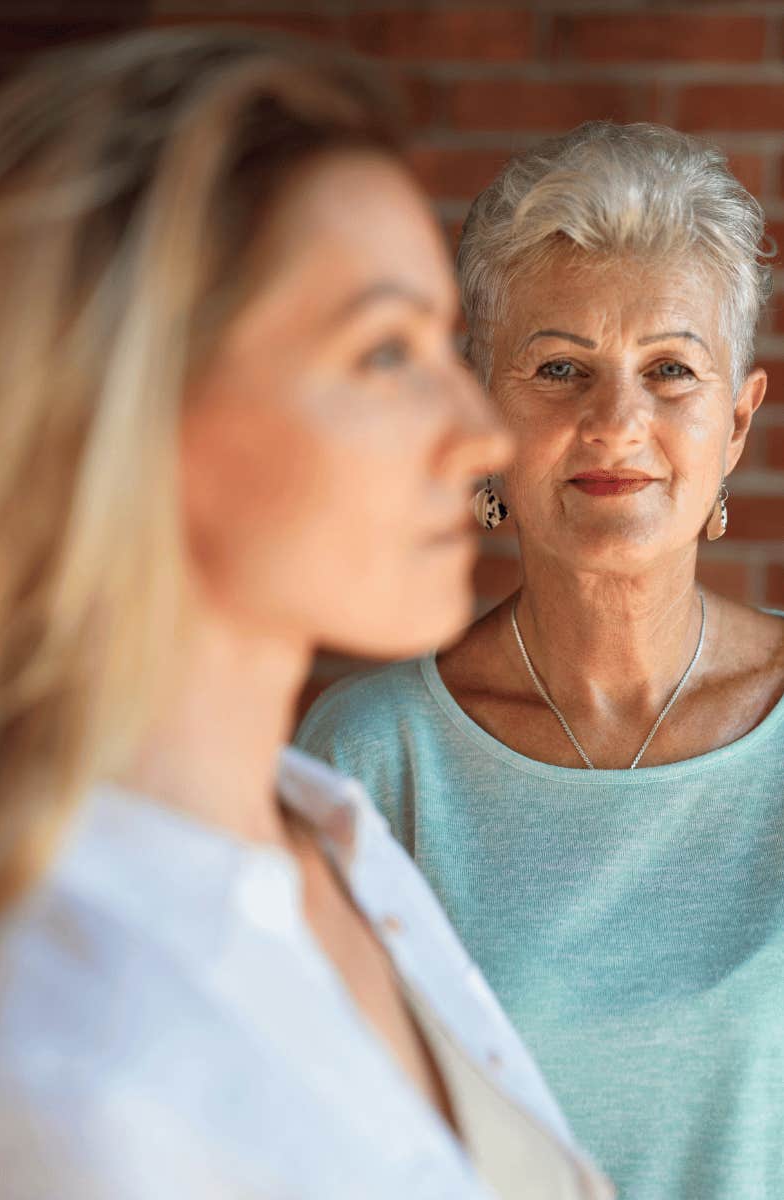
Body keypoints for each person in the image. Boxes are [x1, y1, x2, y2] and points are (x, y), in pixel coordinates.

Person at [0, 28, 612, 1200]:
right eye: (384, 352)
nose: (481, 435)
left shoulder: (330, 834)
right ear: (126, 410)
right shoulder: (52, 1067)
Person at [297, 120, 784, 1200]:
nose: (617, 422)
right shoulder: (369, 761)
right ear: (486, 412)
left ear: (736, 427)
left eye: (671, 370)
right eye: (560, 367)